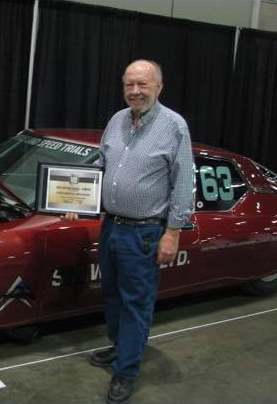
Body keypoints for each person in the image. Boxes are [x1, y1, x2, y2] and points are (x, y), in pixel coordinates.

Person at [63, 60, 194, 404]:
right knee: (111, 295)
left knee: (136, 303)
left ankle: (126, 371)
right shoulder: (117, 120)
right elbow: (99, 163)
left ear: (159, 87)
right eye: (129, 85)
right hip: (112, 227)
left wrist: (173, 232)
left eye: (142, 85)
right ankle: (120, 347)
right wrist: (73, 192)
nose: (135, 91)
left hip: (146, 232)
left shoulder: (174, 126)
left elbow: (183, 183)